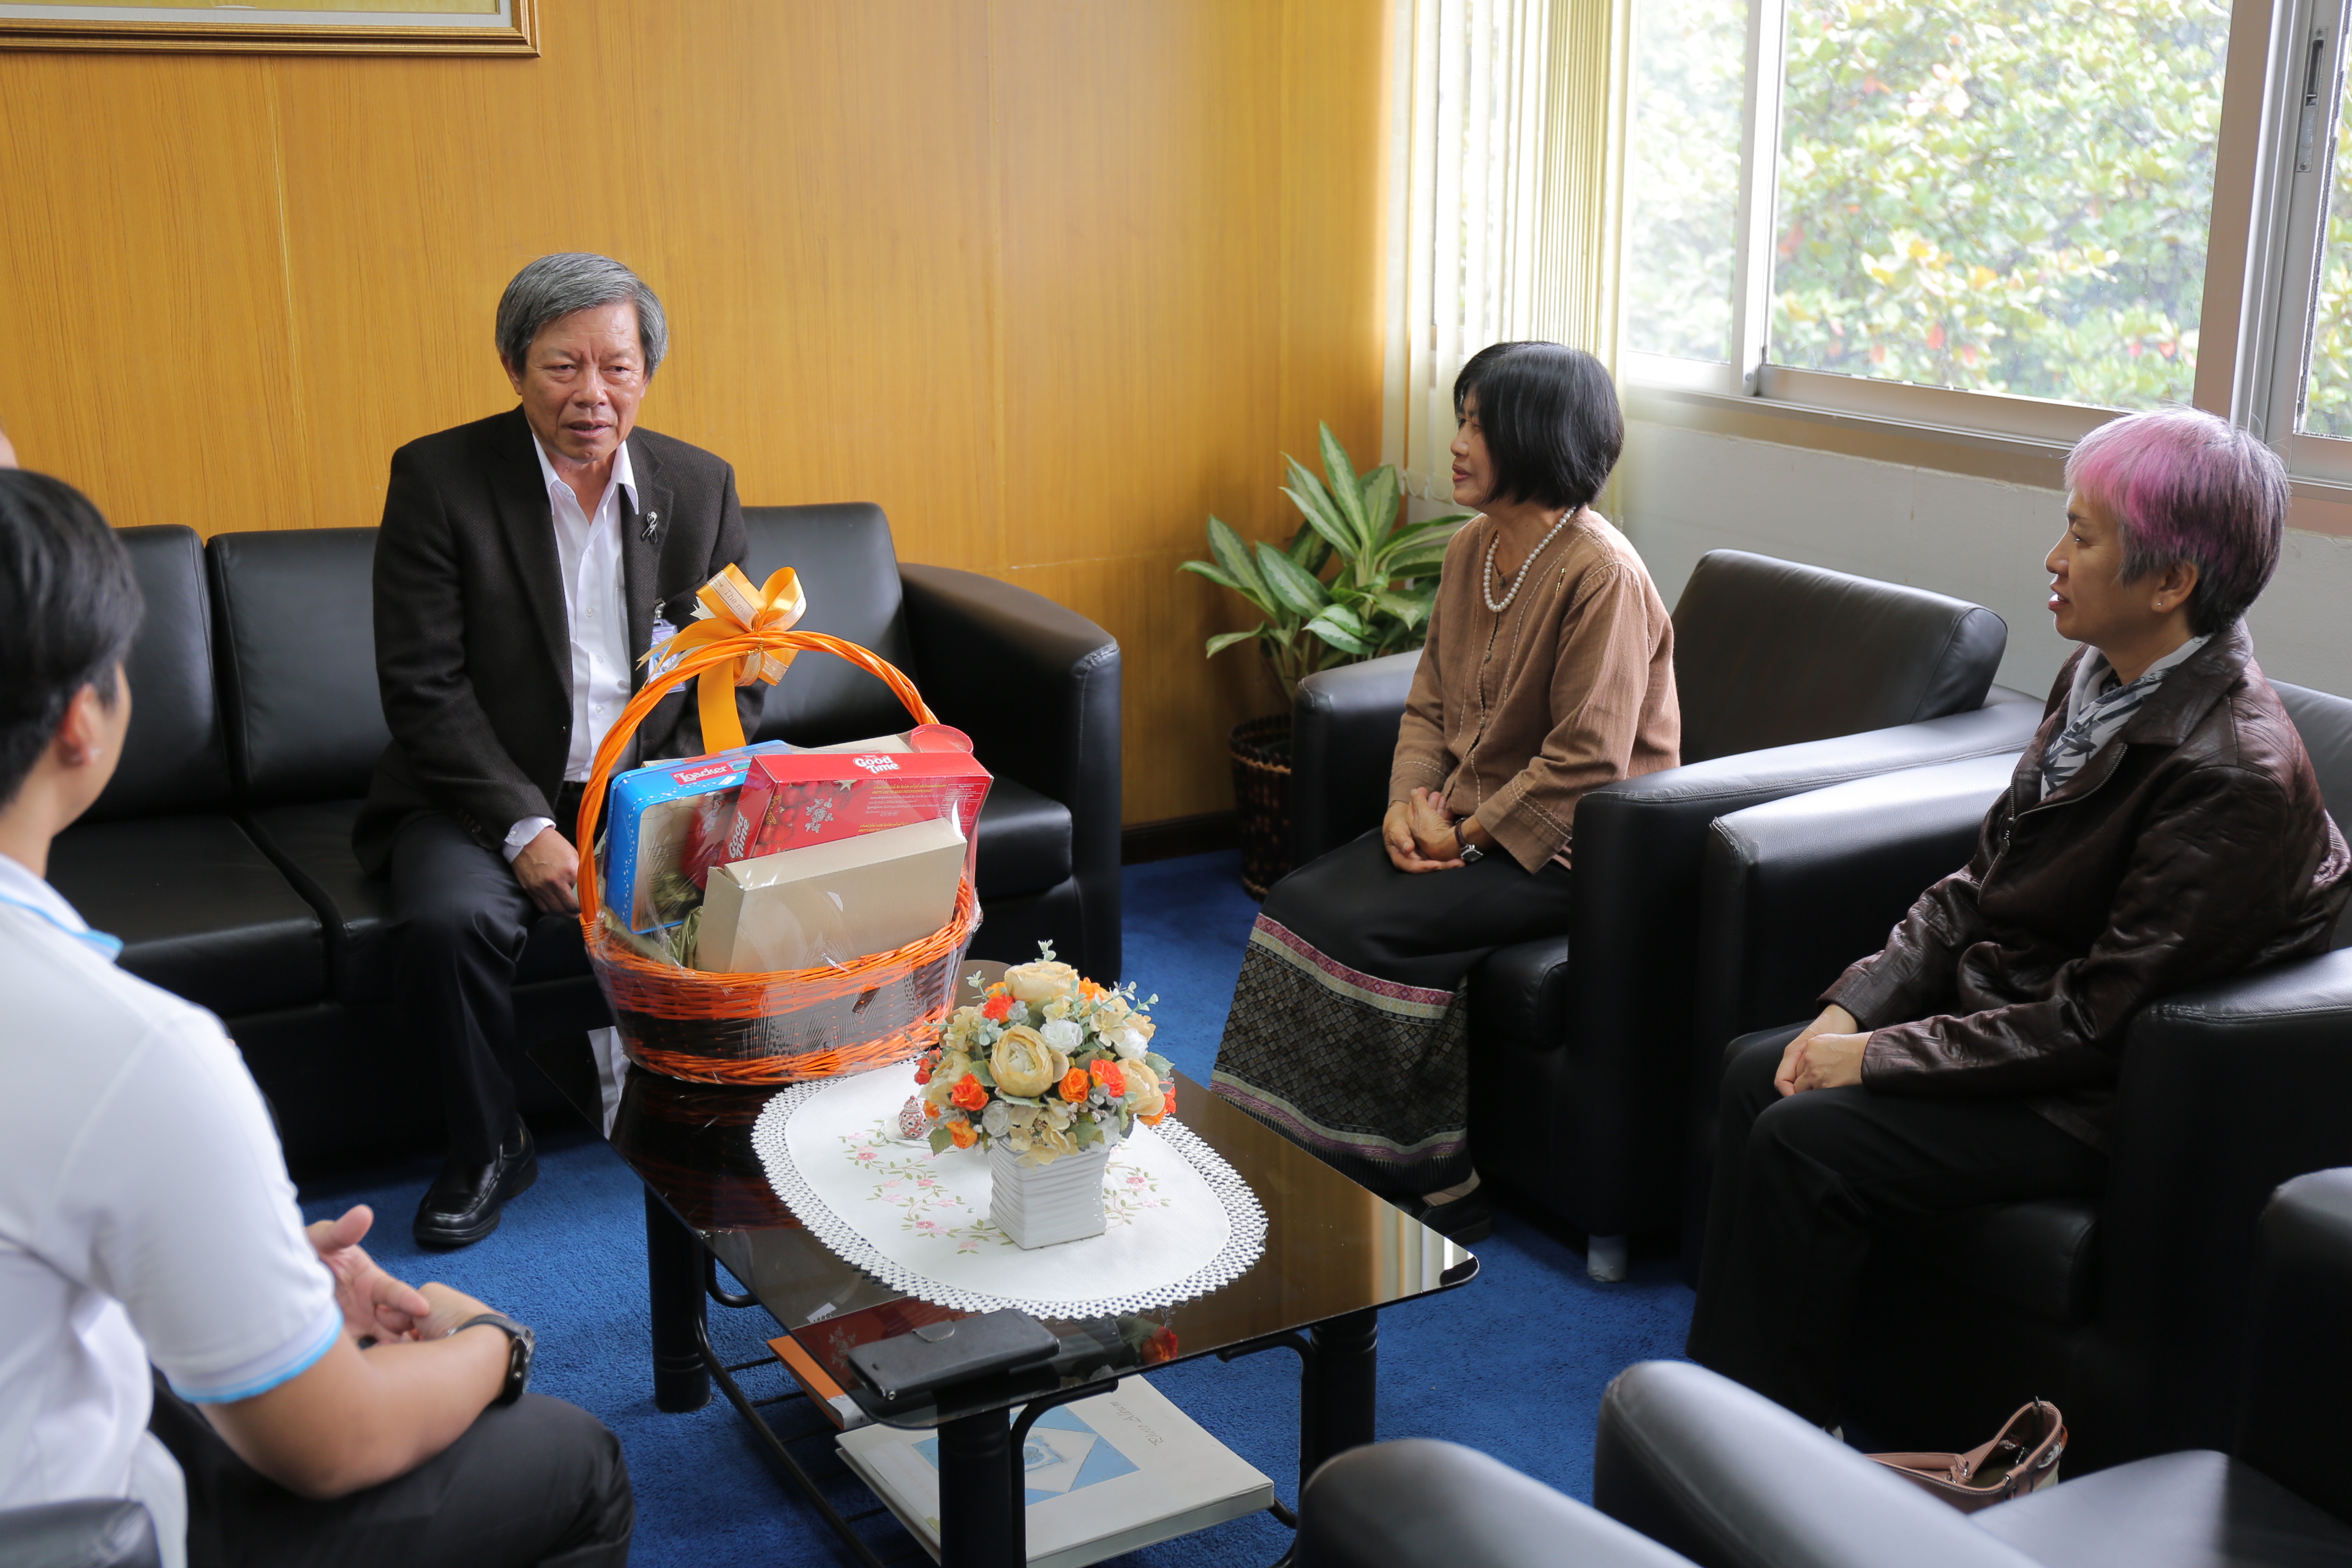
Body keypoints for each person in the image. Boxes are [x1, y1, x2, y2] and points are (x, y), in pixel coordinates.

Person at [0, 467, 633, 1567]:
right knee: (578, 1461)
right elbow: (335, 1442)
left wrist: (229, 1258)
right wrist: (494, 1340)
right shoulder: (137, 1056)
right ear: (82, 722)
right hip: (78, 1527)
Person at [1686, 405, 2352, 1429]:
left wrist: (1878, 1059)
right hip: (2023, 1025)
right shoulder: (2098, 676)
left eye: (2082, 536)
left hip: (2100, 1096)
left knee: (1808, 1139)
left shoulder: (2233, 772)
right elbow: (1979, 880)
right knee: (1755, 1069)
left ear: (2170, 583)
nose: (2053, 557)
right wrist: (1857, 1009)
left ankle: (1758, 1445)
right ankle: (1746, 1398)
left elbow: (2101, 1023)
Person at [1210, 342, 1679, 1240]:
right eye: (1460, 420)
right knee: (1299, 898)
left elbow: (1586, 762)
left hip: (1574, 851)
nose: (1457, 444)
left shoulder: (1605, 576)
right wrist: (1407, 805)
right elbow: (1428, 701)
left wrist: (1460, 839)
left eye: (1477, 425)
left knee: (1370, 928)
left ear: (1535, 437)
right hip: (1467, 824)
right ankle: (1281, 1153)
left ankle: (1434, 1176)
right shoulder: (1474, 548)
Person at [362, 252, 761, 1248]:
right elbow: (423, 687)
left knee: (762, 876)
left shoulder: (697, 485)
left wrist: (679, 788)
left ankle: (736, 1114)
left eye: (616, 367)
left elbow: (724, 666)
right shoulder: (440, 480)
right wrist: (523, 827)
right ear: (514, 368)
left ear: (646, 372)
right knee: (451, 921)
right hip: (476, 790)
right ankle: (490, 1144)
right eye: (562, 367)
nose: (593, 395)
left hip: (639, 783)